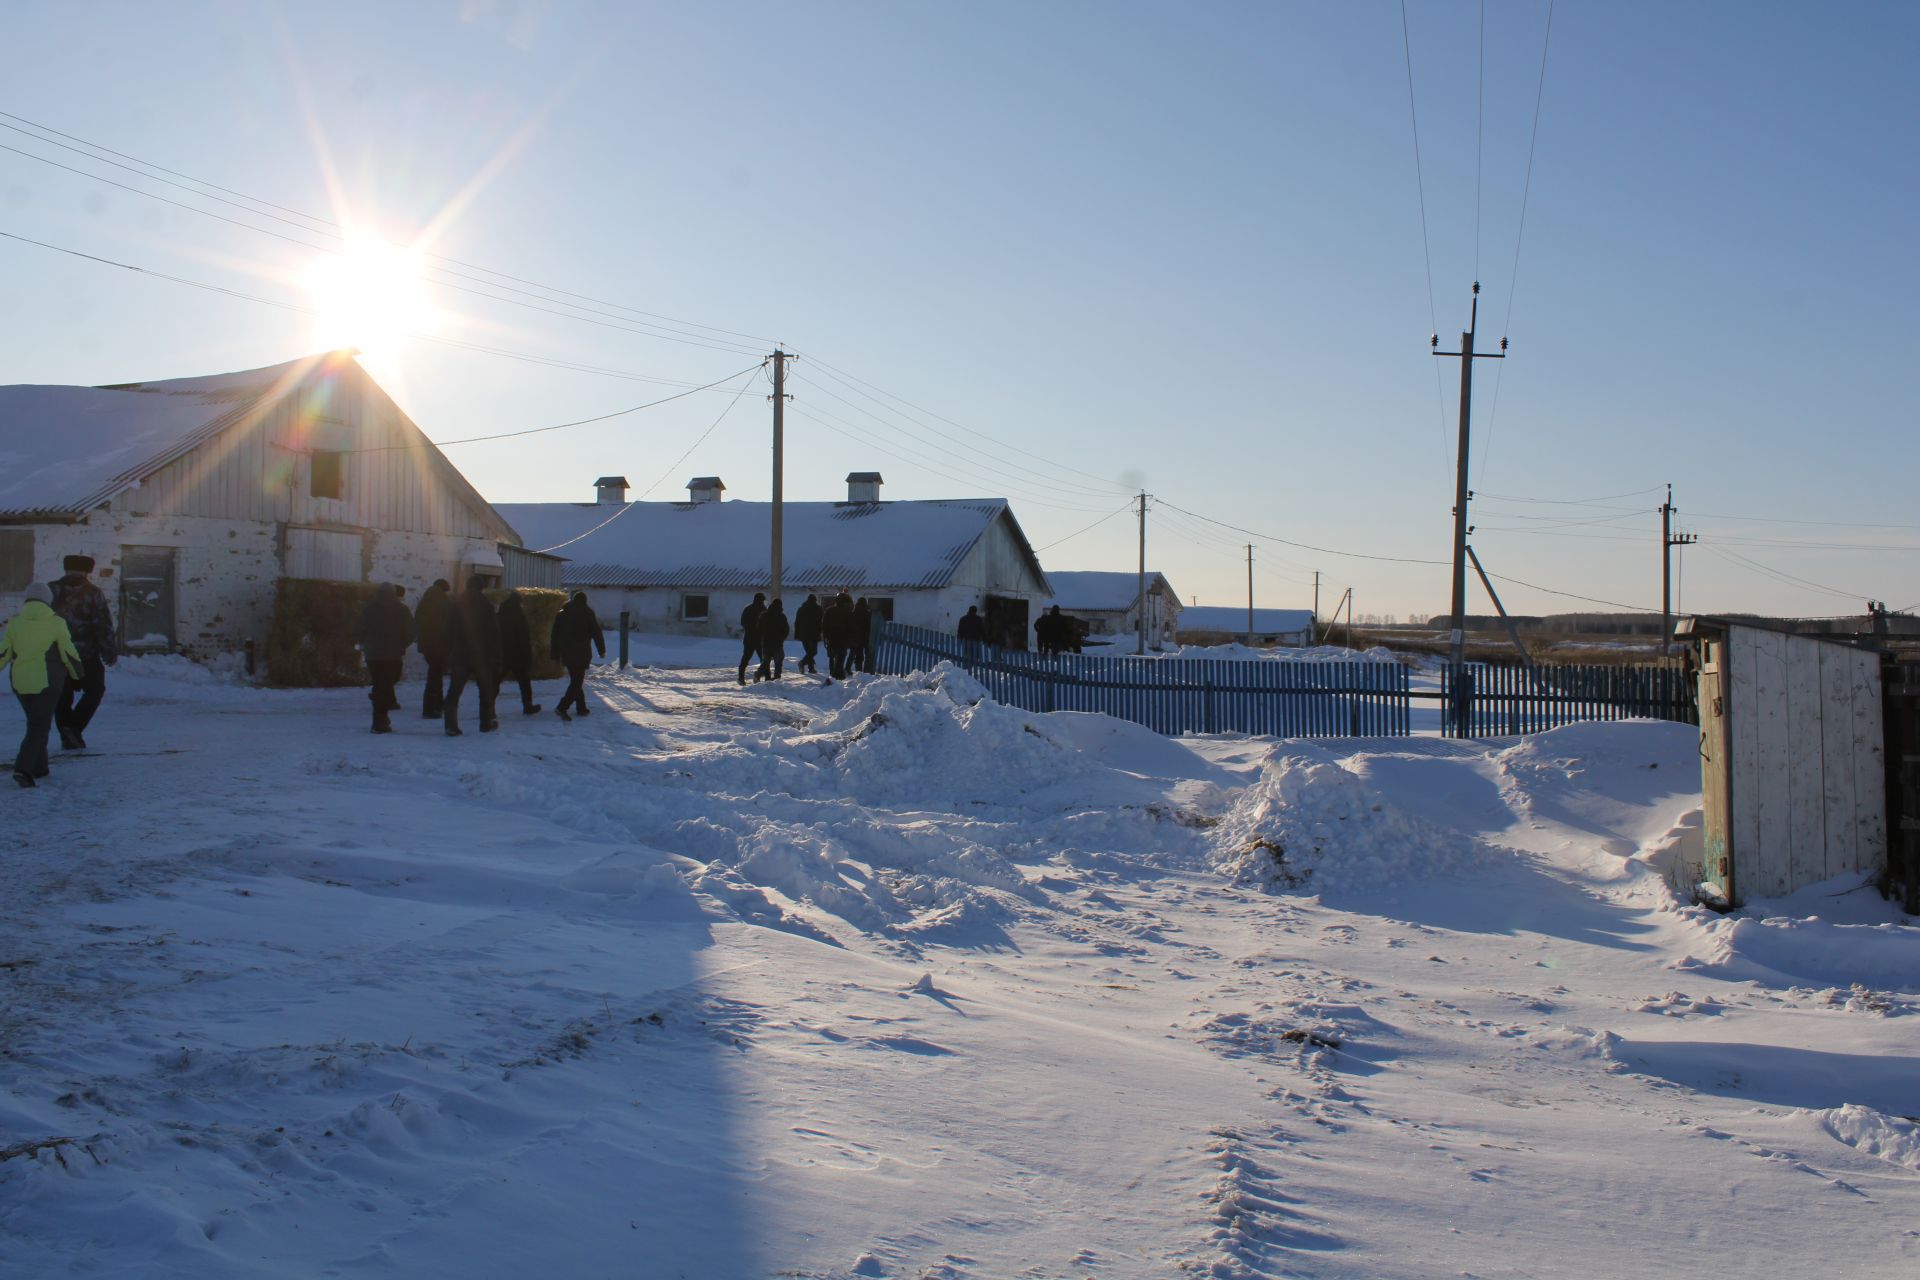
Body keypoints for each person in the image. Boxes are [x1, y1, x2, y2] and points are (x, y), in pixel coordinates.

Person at [2, 583, 83, 787]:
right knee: (39, 726)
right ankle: (24, 768)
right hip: (47, 682)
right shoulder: (56, 622)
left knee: (35, 723)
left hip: (20, 682)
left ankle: (40, 767)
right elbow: (68, 652)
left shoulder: (15, 623)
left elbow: (3, 653)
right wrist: (78, 674)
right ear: (48, 600)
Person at [49, 554, 117, 751]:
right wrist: (109, 651)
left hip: (57, 654)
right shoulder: (93, 592)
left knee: (62, 696)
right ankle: (74, 728)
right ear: (88, 571)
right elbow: (102, 624)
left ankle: (67, 733)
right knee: (95, 691)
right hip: (85, 654)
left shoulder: (51, 590)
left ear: (66, 569)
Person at [443, 576, 502, 736]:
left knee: (454, 691)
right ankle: (486, 723)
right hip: (481, 656)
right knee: (485, 691)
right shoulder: (486, 605)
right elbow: (493, 634)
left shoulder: (457, 605)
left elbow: (448, 631)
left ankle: (450, 725)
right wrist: (496, 655)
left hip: (460, 654)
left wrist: (448, 652)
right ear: (481, 587)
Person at [356, 582, 415, 734]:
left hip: (373, 654)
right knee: (387, 683)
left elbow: (360, 628)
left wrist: (365, 642)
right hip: (393, 654)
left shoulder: (369, 608)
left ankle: (380, 718)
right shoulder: (401, 609)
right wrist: (401, 645)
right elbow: (410, 632)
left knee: (380, 684)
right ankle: (379, 721)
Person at [549, 591, 605, 721]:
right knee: (576, 682)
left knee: (576, 679)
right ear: (585, 601)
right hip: (581, 653)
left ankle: (581, 707)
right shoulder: (587, 613)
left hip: (566, 653)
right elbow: (597, 633)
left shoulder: (562, 613)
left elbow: (555, 635)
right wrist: (601, 650)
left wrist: (555, 653)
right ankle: (562, 707)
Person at [495, 590, 542, 716]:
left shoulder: (500, 614)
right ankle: (527, 705)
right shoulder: (519, 615)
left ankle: (488, 707)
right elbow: (524, 636)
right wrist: (529, 653)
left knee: (496, 680)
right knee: (524, 681)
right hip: (518, 653)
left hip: (504, 652)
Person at [414, 578, 452, 718]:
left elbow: (417, 621)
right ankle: (431, 708)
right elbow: (450, 625)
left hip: (426, 645)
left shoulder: (424, 602)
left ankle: (436, 704)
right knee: (435, 675)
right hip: (440, 644)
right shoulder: (445, 604)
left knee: (435, 673)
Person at [754, 598, 790, 682]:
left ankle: (759, 674)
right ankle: (777, 677)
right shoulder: (782, 616)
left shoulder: (764, 615)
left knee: (766, 661)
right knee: (778, 661)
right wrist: (782, 638)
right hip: (777, 642)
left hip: (766, 642)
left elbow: (759, 628)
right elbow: (786, 629)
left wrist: (762, 637)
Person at [822, 592, 856, 680]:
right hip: (843, 640)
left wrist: (826, 637)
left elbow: (824, 626)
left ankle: (833, 675)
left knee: (832, 657)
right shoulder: (848, 612)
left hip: (831, 638)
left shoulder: (829, 610)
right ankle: (838, 677)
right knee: (840, 658)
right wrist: (851, 639)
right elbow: (851, 627)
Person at [736, 592, 767, 686]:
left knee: (745, 659)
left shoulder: (747, 609)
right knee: (764, 660)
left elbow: (742, 622)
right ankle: (760, 675)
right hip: (760, 640)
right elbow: (766, 625)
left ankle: (741, 678)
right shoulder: (764, 610)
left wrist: (749, 629)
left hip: (749, 638)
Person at [793, 593, 823, 675]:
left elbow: (797, 622)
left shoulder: (801, 609)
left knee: (809, 651)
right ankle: (804, 664)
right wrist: (821, 631)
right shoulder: (818, 609)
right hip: (814, 633)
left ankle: (810, 667)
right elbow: (821, 622)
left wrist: (797, 634)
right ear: (815, 600)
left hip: (804, 634)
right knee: (813, 652)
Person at [850, 598, 873, 674]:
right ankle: (867, 671)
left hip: (857, 637)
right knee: (868, 655)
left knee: (858, 656)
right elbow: (871, 625)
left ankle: (858, 671)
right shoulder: (868, 613)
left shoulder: (854, 613)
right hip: (867, 637)